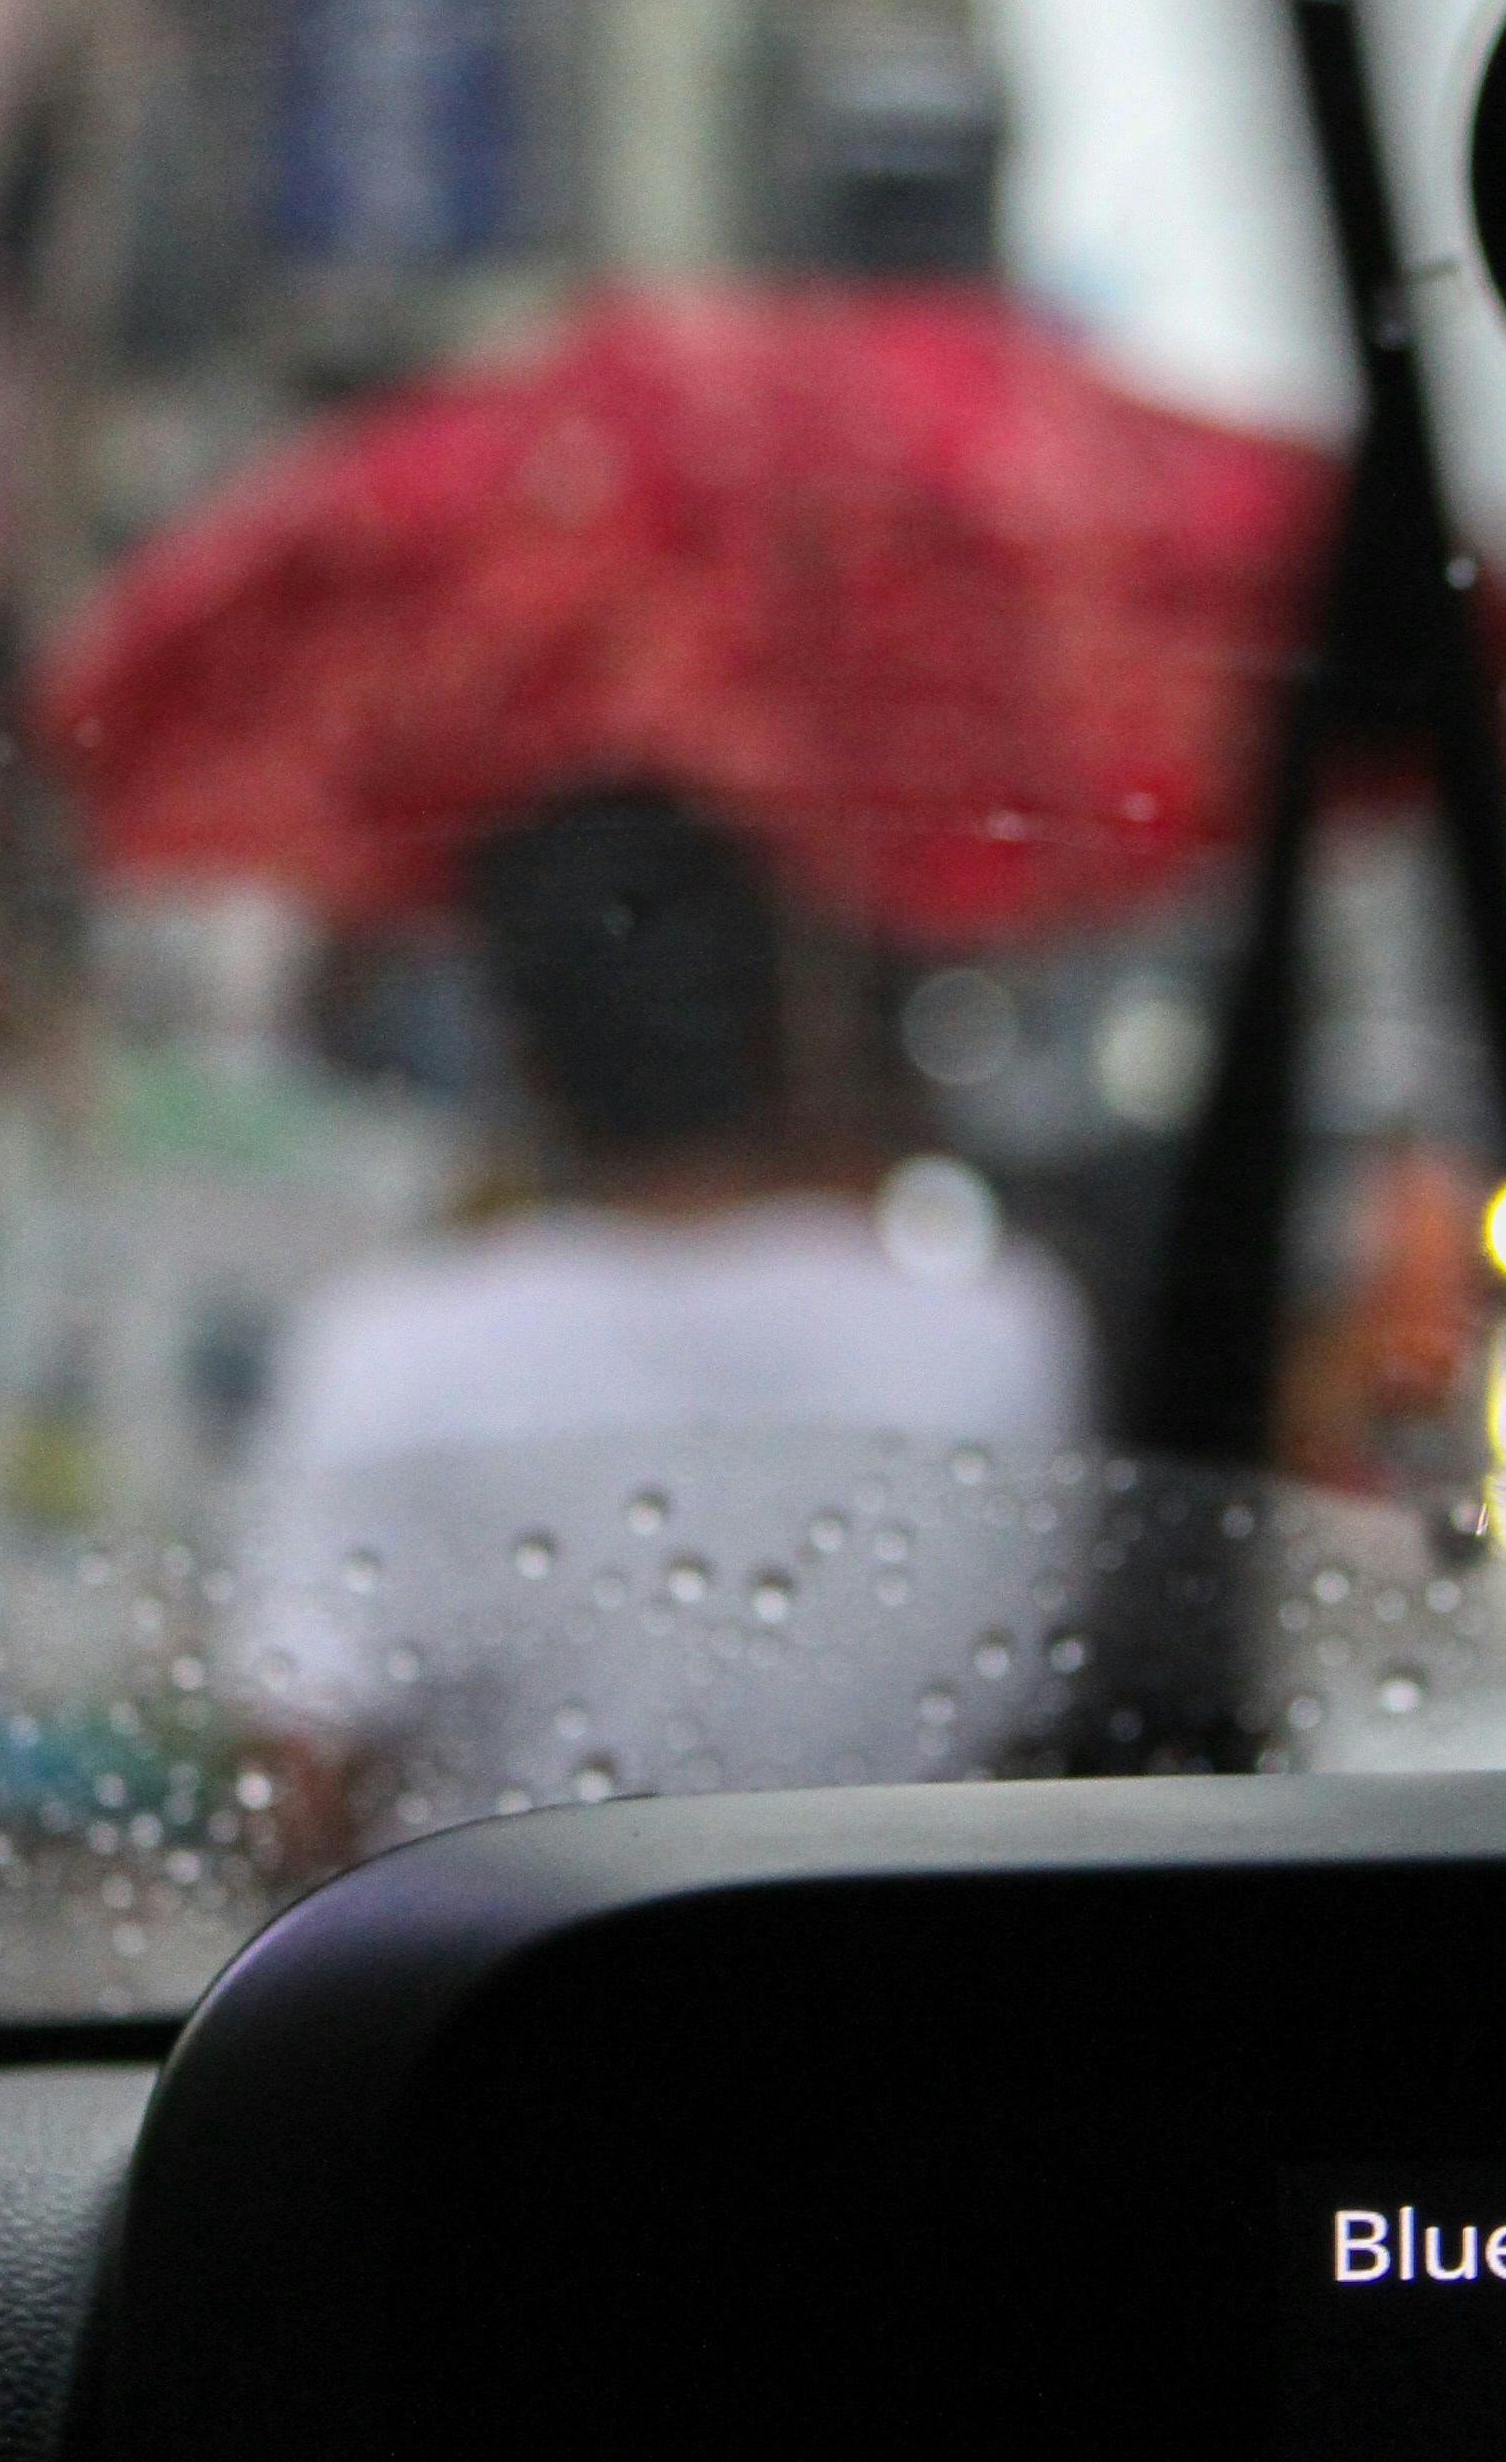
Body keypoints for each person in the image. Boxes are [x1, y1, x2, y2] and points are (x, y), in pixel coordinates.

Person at [232, 780, 1095, 1847]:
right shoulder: (1000, 1327)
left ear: (521, 1052)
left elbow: (300, 1790)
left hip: (507, 1995)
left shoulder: (391, 1347)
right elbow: (1035, 1719)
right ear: (782, 1015)